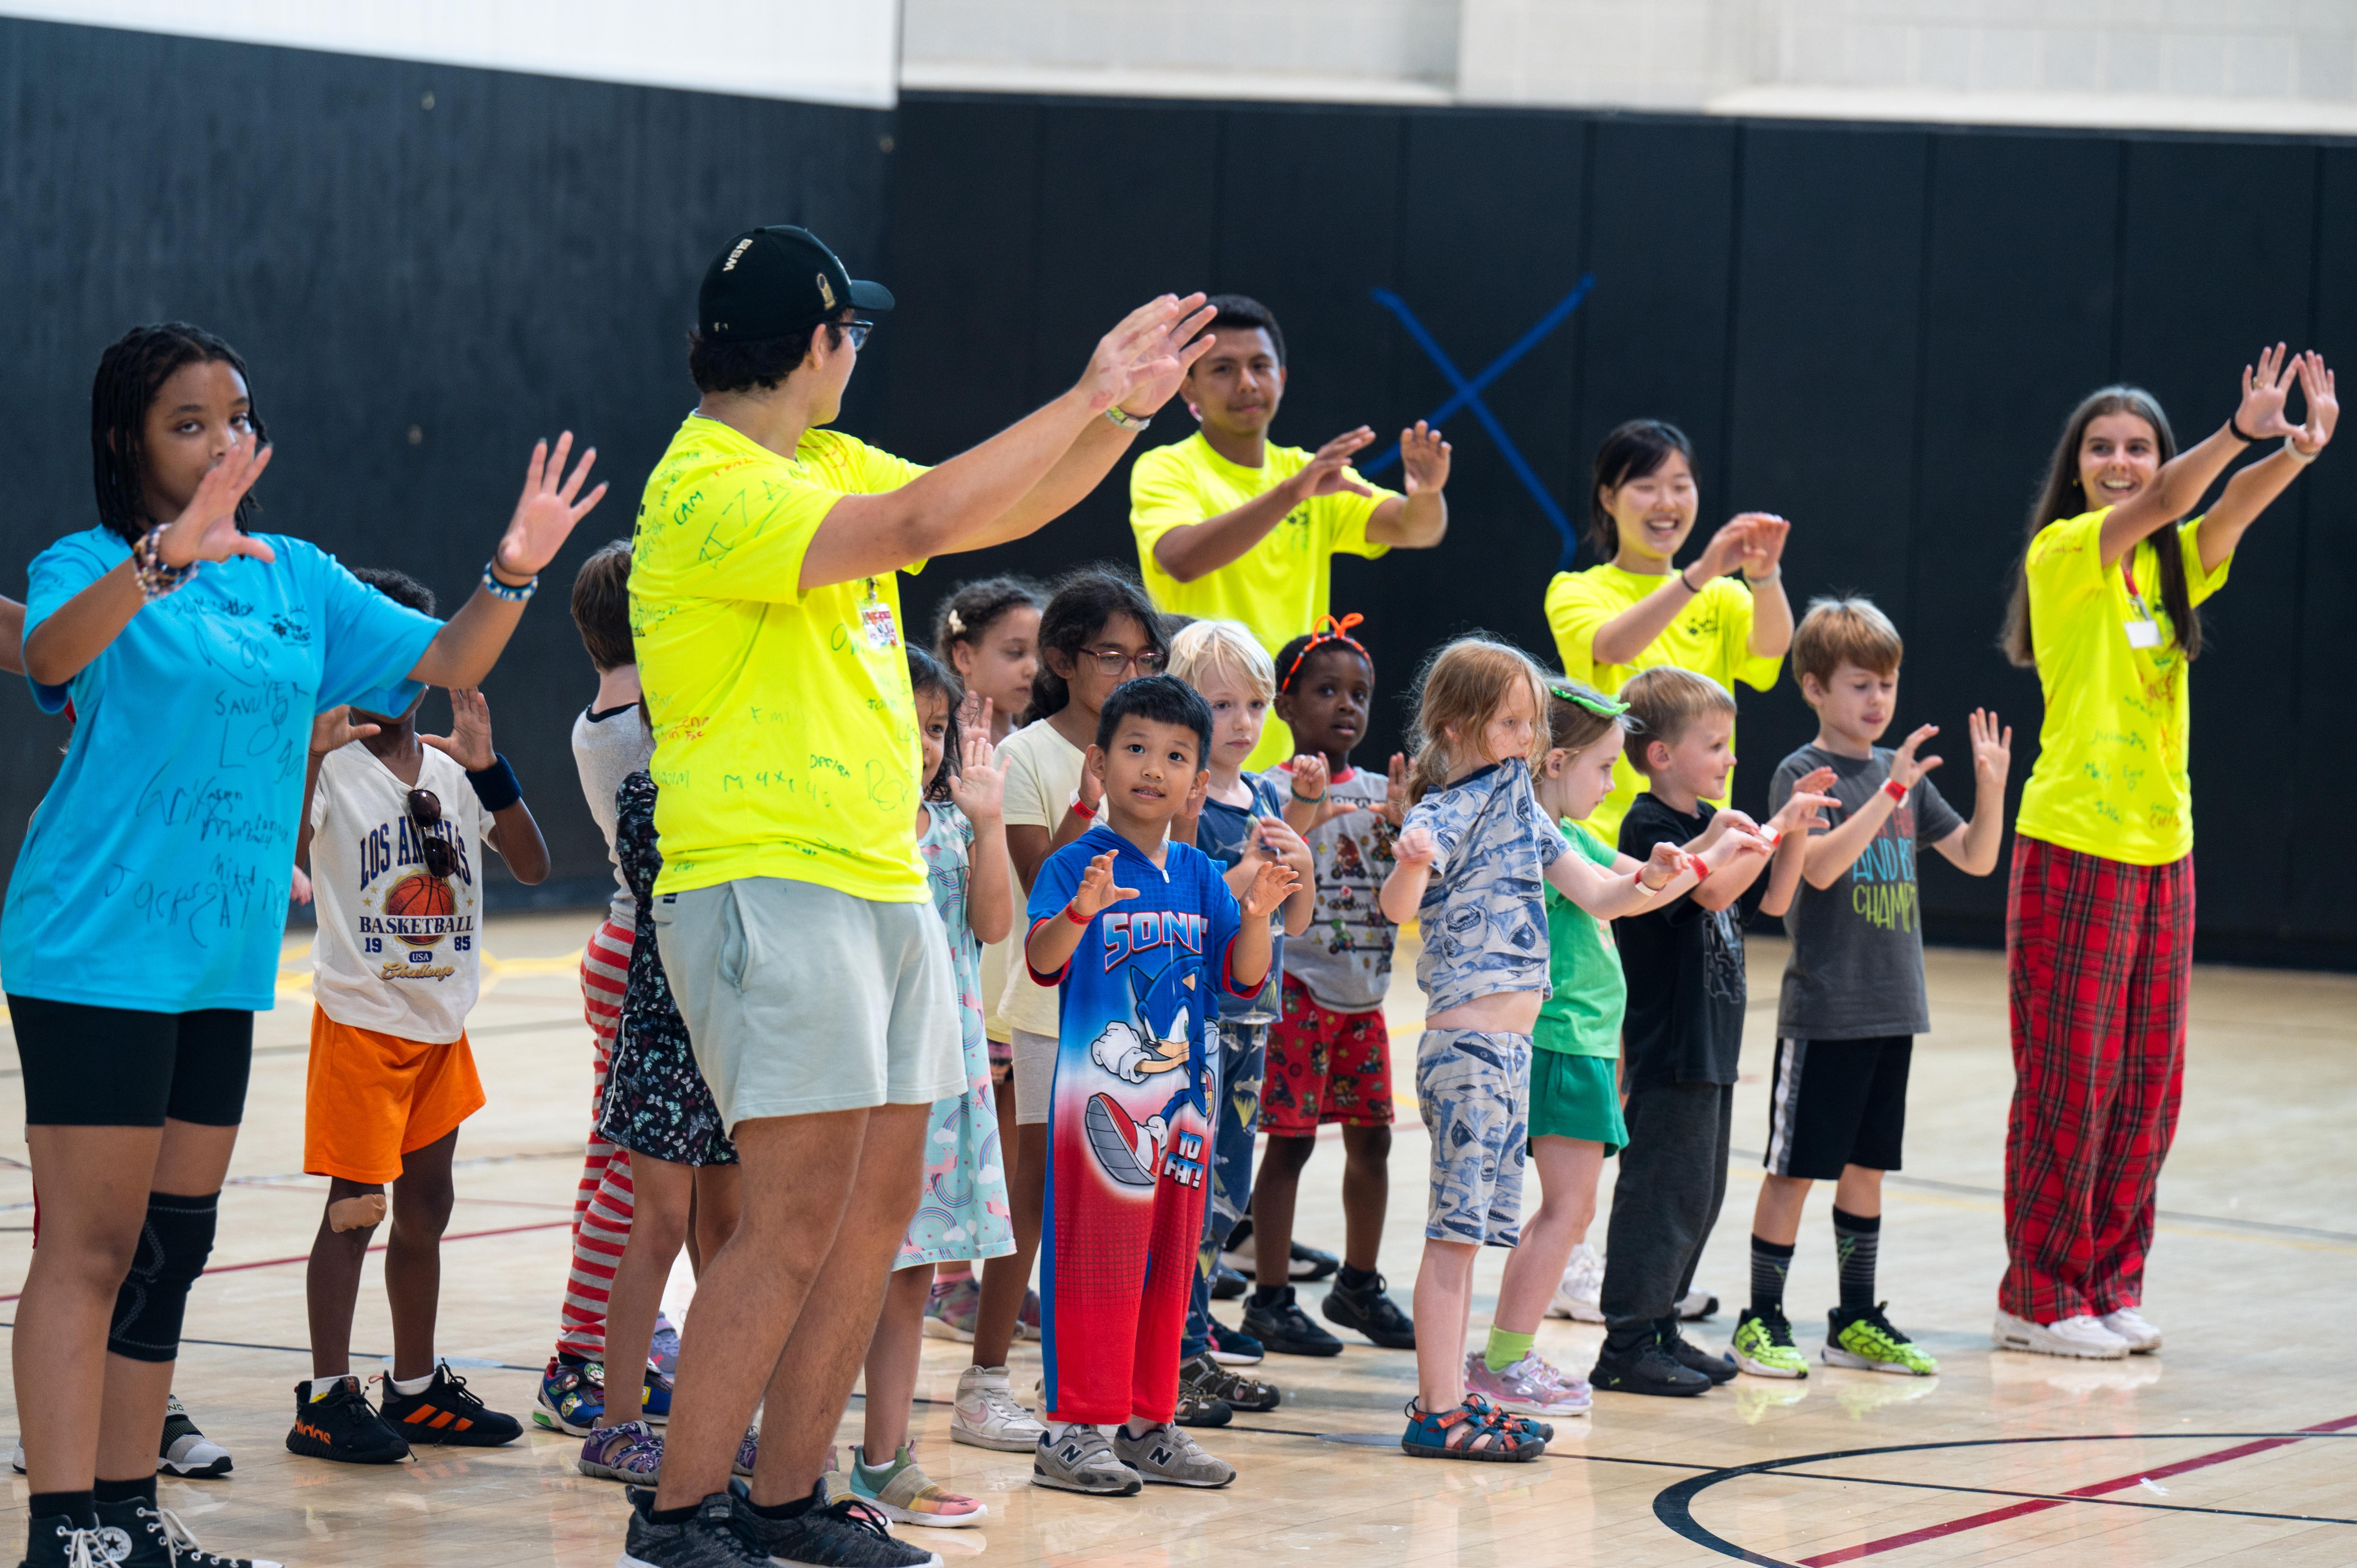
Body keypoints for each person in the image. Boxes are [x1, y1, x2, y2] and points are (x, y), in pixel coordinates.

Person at [618, 222, 1213, 1568]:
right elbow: (928, 520)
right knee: (786, 1219)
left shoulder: (813, 456)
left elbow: (993, 504)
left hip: (879, 884)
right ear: (816, 343)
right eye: (852, 332)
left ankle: (785, 1499)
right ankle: (673, 1519)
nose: (856, 354)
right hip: (770, 884)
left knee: (876, 1218)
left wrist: (1111, 417)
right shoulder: (708, 485)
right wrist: (1083, 391)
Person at [5, 321, 601, 1568]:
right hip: (95, 955)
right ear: (129, 442)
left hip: (218, 966)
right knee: (94, 1248)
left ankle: (129, 1519)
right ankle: (67, 1532)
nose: (226, 443)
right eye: (189, 423)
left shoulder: (294, 576)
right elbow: (51, 657)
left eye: (237, 418)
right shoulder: (88, 565)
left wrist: (513, 569)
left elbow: (443, 663)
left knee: (172, 1248)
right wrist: (165, 559)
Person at [1994, 348, 2336, 1360]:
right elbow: (2185, 494)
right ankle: (2039, 1293)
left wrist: (2297, 452)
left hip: (2164, 850)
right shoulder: (2066, 551)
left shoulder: (2170, 565)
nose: (2123, 461)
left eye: (2138, 447)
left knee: (2147, 1084)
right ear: (2076, 466)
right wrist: (2237, 431)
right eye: (2103, 447)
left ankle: (2108, 1278)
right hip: (2074, 844)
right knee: (2069, 1080)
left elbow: (2220, 514)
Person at [1376, 639, 1726, 1460]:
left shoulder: (1524, 810)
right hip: (1466, 1050)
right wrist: (1410, 862)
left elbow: (1600, 892)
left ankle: (1457, 1393)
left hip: (1512, 1055)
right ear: (1459, 725)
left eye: (1533, 723)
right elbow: (1399, 909)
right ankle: (1439, 1410)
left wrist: (1654, 876)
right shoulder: (1444, 813)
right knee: (1453, 1238)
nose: (1528, 738)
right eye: (1512, 722)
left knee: (1475, 1232)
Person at [290, 568, 545, 1462]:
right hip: (364, 1021)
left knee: (427, 1203)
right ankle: (324, 1395)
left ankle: (413, 1385)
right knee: (355, 1208)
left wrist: (489, 766)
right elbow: (288, 856)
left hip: (440, 1024)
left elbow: (532, 863)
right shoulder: (327, 763)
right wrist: (312, 753)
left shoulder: (445, 768)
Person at [1022, 675, 1297, 1495]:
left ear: (1198, 779)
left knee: (1168, 1270)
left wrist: (1257, 917)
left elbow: (1241, 983)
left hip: (1183, 1116)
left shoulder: (1204, 876)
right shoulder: (1077, 863)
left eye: (1177, 755)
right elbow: (1041, 961)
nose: (1155, 767)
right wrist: (1080, 910)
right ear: (1099, 765)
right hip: (1096, 1115)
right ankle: (1073, 1429)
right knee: (1093, 1266)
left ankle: (1149, 1423)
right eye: (1136, 749)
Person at [1729, 597, 2010, 1382]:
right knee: (1794, 1169)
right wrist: (1886, 795)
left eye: (1887, 683)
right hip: (1827, 1009)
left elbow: (1977, 858)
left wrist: (1991, 788)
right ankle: (1762, 1317)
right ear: (1815, 686)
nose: (1878, 700)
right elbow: (1817, 866)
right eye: (1860, 684)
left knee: (1866, 1169)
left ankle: (1854, 1316)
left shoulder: (1903, 779)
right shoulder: (1804, 771)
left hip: (1893, 1008)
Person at [960, 567, 1170, 1451]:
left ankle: (1083, 1375)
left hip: (1120, 1017)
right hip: (1038, 1005)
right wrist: (1096, 801)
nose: (1128, 670)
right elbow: (1052, 874)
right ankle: (984, 1379)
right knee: (1029, 1196)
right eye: (1108, 655)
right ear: (1063, 659)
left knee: (1109, 1198)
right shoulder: (1028, 755)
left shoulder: (1150, 751)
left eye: (1143, 656)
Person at [1590, 667, 1826, 1398]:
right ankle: (1625, 1339)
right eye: (1714, 744)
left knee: (1699, 1193)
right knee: (1661, 1192)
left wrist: (1791, 834)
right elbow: (1713, 887)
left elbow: (1773, 897)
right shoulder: (1653, 830)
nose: (1729, 758)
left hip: (1714, 1045)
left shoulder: (1714, 827)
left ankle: (1660, 1323)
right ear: (1659, 753)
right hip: (1670, 1045)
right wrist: (1767, 827)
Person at [1130, 294, 1452, 769]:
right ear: (1188, 389)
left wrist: (1427, 493)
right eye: (1223, 369)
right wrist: (1291, 495)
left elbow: (1416, 528)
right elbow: (1180, 557)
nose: (1246, 382)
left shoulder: (1305, 473)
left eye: (1260, 366)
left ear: (1281, 378)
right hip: (1192, 732)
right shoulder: (1167, 467)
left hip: (1292, 750)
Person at [848, 650, 1014, 1526]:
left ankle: (884, 1461)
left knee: (909, 1277)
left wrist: (988, 825)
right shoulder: (838, 825)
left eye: (936, 726)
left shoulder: (950, 825)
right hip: (856, 1083)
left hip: (942, 1086)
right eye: (904, 722)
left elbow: (992, 925)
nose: (922, 743)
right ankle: (771, 1450)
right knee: (833, 1271)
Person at [1461, 678, 1646, 1417]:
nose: (1610, 783)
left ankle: (1504, 1354)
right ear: (1554, 759)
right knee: (1566, 1212)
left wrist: (1718, 846)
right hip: (1561, 1041)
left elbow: (1638, 879)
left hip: (1585, 1046)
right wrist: (1680, 868)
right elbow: (1621, 891)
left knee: (1567, 1213)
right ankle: (1503, 1360)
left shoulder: (1567, 835)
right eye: (1602, 767)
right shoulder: (1538, 839)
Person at [1244, 618, 1417, 1359]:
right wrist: (1306, 813)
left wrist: (1411, 827)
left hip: (1362, 998)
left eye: (1359, 693)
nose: (1346, 705)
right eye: (1325, 690)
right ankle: (1270, 1294)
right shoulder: (1268, 792)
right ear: (1285, 705)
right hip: (1295, 994)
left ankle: (1358, 1281)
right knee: (1287, 1146)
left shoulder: (1388, 793)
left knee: (1372, 1140)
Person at [573, 765, 747, 1485]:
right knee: (661, 1220)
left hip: (734, 1029)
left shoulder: (757, 783)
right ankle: (615, 1425)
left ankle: (724, 1415)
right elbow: (670, 889)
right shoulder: (647, 791)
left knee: (729, 1232)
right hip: (663, 1030)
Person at [1163, 622, 1313, 1407]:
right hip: (1201, 1023)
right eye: (1224, 703)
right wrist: (1253, 866)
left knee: (1225, 1196)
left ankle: (1194, 1344)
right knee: (1188, 1191)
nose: (1246, 721)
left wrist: (1305, 851)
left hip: (1254, 1020)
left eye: (1257, 702)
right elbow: (1198, 900)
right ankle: (1167, 1357)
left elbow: (1296, 917)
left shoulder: (1262, 794)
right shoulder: (1186, 800)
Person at [543, 539, 671, 1440]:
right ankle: (580, 1352)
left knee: (612, 1158)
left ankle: (611, 1332)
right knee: (634, 1173)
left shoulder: (600, 717)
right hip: (646, 956)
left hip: (621, 945)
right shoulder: (650, 722)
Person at [1543, 418, 1794, 844]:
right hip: (1607, 839)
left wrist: (1766, 576)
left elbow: (1771, 649)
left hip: (1703, 835)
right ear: (1608, 497)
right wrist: (1698, 574)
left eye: (1680, 486)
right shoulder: (1576, 589)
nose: (1666, 502)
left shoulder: (1722, 594)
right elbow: (1615, 645)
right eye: (1646, 486)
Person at [921, 577, 1041, 1343]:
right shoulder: (943, 762)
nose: (1031, 667)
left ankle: (977, 1271)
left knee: (999, 1126)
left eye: (1038, 651)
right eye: (1013, 651)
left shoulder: (1025, 746)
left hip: (1008, 959)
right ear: (964, 654)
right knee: (962, 1117)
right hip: (965, 970)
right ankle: (951, 1279)